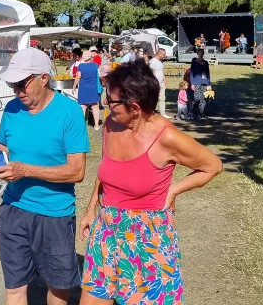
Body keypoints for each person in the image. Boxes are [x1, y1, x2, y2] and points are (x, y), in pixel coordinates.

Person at [79, 62, 223, 305]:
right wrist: (91, 209)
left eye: (111, 100)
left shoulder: (166, 137)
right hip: (106, 230)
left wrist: (174, 189)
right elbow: (105, 171)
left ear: (134, 108)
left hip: (148, 237)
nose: (105, 103)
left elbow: (213, 166)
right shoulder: (111, 126)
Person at [0, 47, 90, 305]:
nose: (16, 91)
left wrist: (25, 170)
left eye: (22, 84)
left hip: (54, 214)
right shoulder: (11, 110)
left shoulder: (69, 112)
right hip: (13, 210)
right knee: (14, 288)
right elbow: (4, 147)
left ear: (43, 78)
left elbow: (77, 171)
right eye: (13, 85)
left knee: (58, 289)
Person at [74, 50, 102, 130]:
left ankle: (82, 125)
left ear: (83, 57)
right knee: (95, 107)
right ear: (91, 57)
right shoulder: (95, 65)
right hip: (93, 88)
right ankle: (96, 125)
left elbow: (78, 77)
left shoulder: (81, 66)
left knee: (83, 106)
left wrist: (74, 86)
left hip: (83, 88)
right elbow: (99, 75)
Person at [190, 49, 212, 120]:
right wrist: (192, 83)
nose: (201, 55)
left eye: (202, 53)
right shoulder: (194, 62)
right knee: (197, 98)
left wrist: (209, 84)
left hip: (204, 82)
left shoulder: (205, 63)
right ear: (197, 54)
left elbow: (208, 73)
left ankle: (201, 113)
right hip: (196, 82)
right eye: (199, 53)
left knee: (203, 99)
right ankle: (193, 111)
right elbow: (191, 73)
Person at [149, 48, 171, 119]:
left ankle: (163, 113)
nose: (165, 56)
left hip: (161, 82)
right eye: (164, 54)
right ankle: (151, 112)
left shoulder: (160, 62)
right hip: (155, 83)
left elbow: (161, 71)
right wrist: (156, 83)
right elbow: (153, 73)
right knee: (154, 98)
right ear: (159, 53)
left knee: (162, 98)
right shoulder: (152, 62)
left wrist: (164, 79)